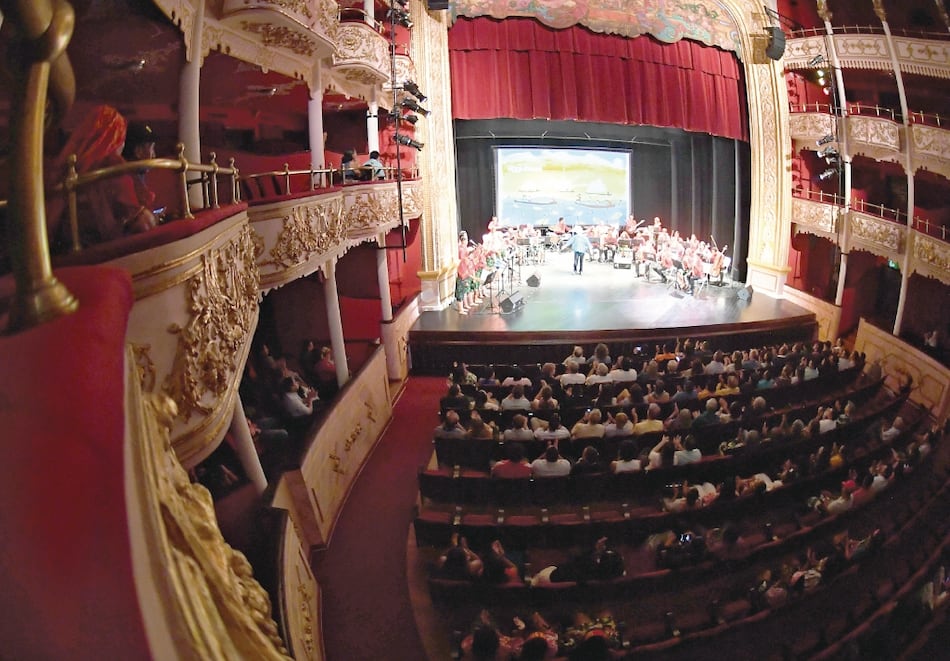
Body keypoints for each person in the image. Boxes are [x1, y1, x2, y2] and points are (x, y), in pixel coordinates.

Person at [47, 104, 157, 245]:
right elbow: (143, 223)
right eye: (121, 138)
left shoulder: (67, 168)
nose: (122, 145)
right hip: (108, 252)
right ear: (114, 136)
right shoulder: (111, 166)